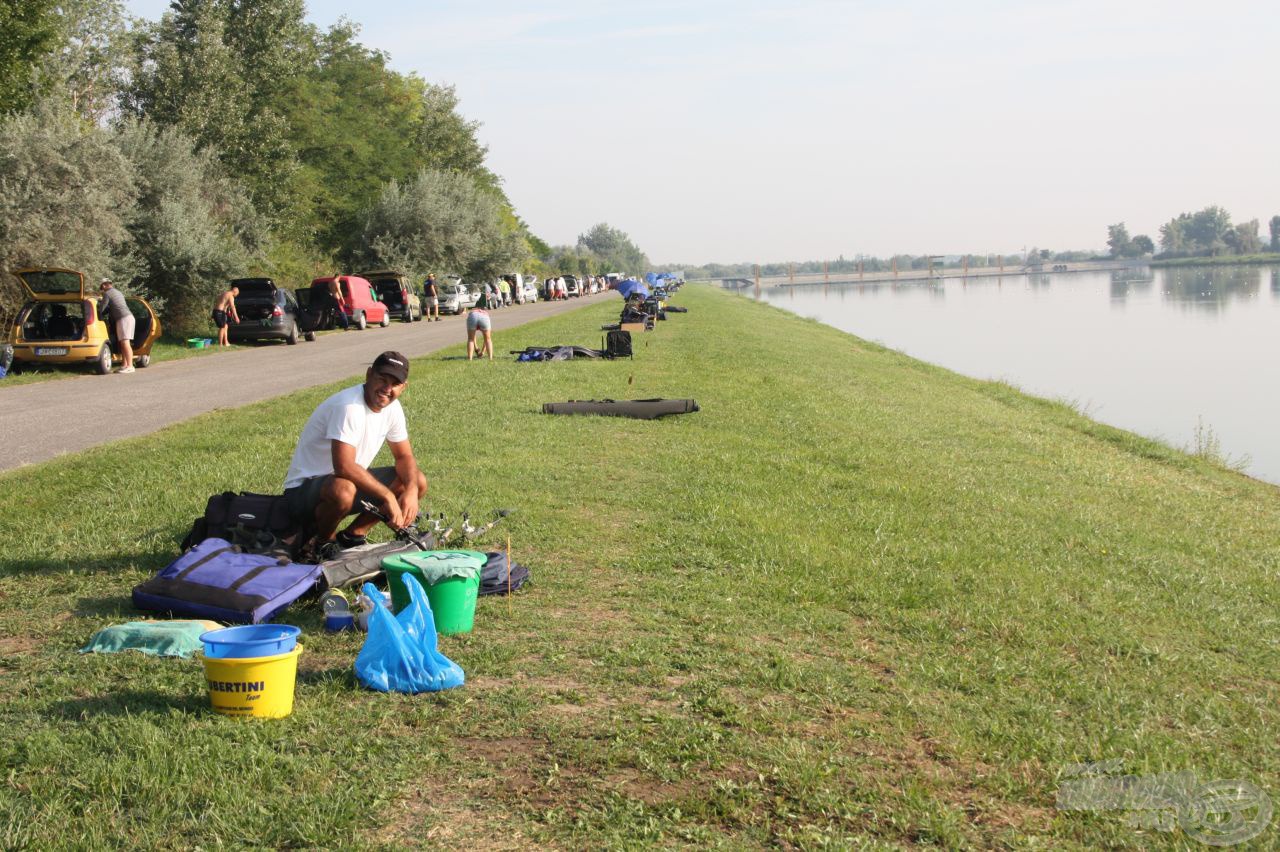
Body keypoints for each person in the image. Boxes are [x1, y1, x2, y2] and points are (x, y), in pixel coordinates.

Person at [283, 351, 426, 561]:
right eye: (382, 379)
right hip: (302, 492)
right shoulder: (348, 406)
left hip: (340, 483)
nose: (387, 389)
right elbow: (344, 466)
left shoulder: (392, 408)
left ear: (403, 387)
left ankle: (352, 536)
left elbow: (404, 456)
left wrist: (412, 491)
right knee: (344, 490)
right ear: (369, 375)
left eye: (394, 384)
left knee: (417, 480)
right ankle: (321, 544)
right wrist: (388, 497)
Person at [97, 278, 135, 374]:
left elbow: (102, 308)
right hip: (125, 318)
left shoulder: (107, 293)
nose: (102, 289)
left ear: (105, 285)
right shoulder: (118, 292)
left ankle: (130, 366)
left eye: (102, 287)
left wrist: (98, 311)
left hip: (124, 318)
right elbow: (112, 307)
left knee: (125, 343)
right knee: (122, 343)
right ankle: (124, 365)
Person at [466, 289, 493, 361]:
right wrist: (482, 352)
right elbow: (486, 339)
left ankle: (470, 359)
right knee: (488, 339)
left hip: (473, 315)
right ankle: (490, 358)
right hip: (484, 315)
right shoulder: (484, 296)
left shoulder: (471, 296)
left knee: (470, 339)